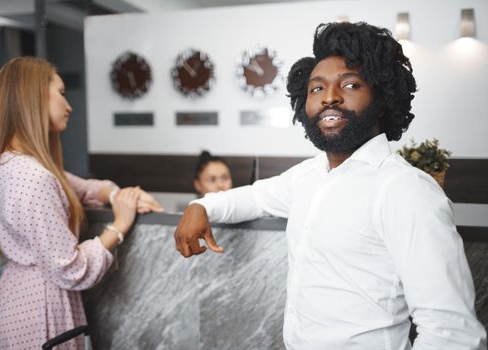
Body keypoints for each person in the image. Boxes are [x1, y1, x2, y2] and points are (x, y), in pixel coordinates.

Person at [174, 22, 486, 349]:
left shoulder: (406, 190)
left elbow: (452, 333)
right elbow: (254, 197)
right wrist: (202, 206)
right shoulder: (308, 176)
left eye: (350, 84)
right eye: (317, 88)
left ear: (381, 99)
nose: (330, 98)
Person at [0, 56, 162, 349]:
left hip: (18, 305)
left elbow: (81, 187)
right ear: (34, 96)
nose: (69, 105)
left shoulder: (14, 163)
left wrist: (118, 196)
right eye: (61, 93)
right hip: (39, 317)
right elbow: (71, 269)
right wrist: (119, 225)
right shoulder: (33, 177)